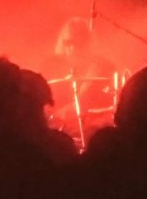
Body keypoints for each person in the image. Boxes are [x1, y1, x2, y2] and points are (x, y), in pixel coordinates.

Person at [39, 16, 119, 148]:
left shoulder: (104, 67)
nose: (72, 48)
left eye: (79, 43)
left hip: (94, 130)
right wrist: (56, 116)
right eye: (68, 42)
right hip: (59, 128)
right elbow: (43, 103)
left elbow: (113, 106)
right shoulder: (51, 66)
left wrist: (90, 121)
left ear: (89, 43)